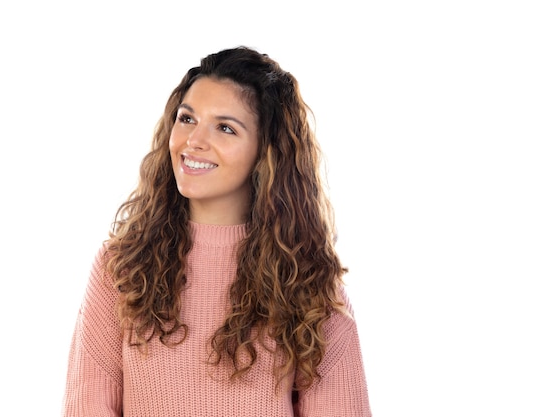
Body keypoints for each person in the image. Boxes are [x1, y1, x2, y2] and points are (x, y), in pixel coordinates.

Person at [62, 46, 371, 417]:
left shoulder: (309, 284)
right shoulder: (121, 267)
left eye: (225, 128)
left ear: (266, 152)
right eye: (187, 119)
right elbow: (87, 407)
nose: (194, 141)